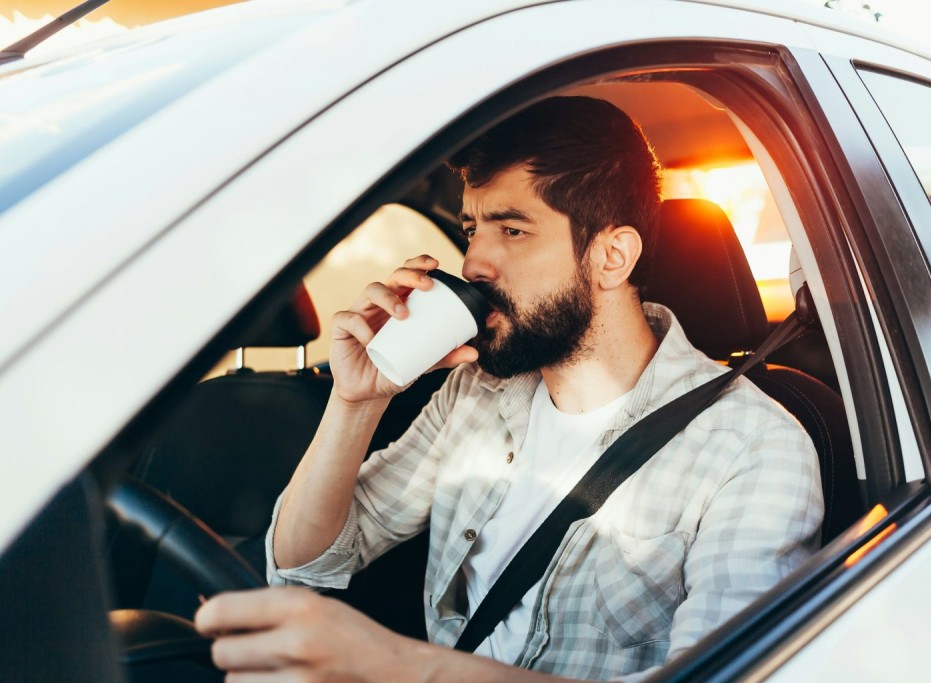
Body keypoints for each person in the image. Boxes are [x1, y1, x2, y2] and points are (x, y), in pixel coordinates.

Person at [195, 96, 823, 682]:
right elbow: (305, 563)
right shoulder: (474, 394)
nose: (473, 265)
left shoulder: (754, 448)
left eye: (512, 230)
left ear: (612, 257)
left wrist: (401, 666)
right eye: (472, 229)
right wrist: (357, 401)